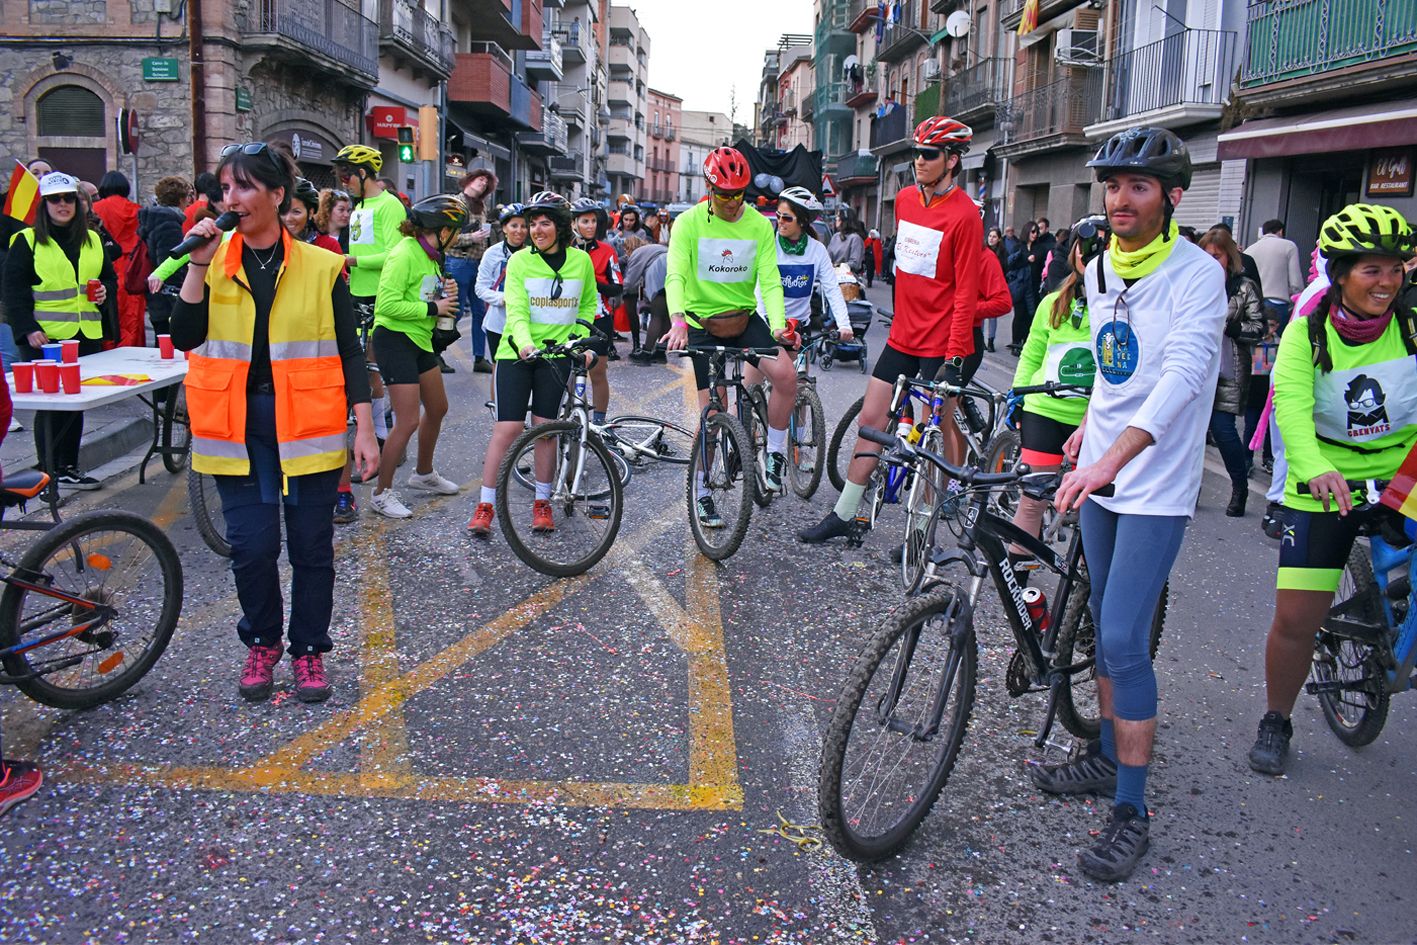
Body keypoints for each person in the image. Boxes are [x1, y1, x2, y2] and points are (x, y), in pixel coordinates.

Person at [1039, 126, 1226, 883]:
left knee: (1119, 635)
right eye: (1111, 185)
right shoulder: (1101, 266)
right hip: (1102, 469)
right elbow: (1117, 367)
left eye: (1137, 186)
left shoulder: (1196, 276)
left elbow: (1180, 381)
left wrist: (1111, 458)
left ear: (1171, 197)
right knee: (1098, 621)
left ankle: (1131, 807)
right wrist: (1091, 422)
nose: (1119, 198)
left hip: (1152, 483)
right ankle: (1108, 750)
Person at [172, 141, 378, 703]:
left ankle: (308, 649)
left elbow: (349, 351)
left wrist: (363, 427)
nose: (230, 198)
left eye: (243, 187)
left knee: (311, 547)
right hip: (234, 423)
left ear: (277, 195)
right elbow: (186, 333)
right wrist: (196, 262)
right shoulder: (212, 260)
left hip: (308, 421)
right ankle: (262, 641)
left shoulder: (320, 265)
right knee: (251, 546)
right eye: (225, 187)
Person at [1247, 203, 1417, 777]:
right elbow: (1291, 407)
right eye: (1372, 270)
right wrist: (1317, 468)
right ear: (1340, 274)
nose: (1387, 282)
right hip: (1325, 480)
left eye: (1395, 269)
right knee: (1297, 618)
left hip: (1403, 472)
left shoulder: (1413, 322)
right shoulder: (1307, 328)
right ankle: (1277, 717)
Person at [799, 116, 981, 543]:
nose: (919, 161)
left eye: (929, 155)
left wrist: (955, 359)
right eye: (916, 153)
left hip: (941, 344)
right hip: (903, 336)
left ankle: (924, 527)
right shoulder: (903, 201)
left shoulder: (966, 216)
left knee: (935, 432)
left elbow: (966, 294)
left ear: (952, 160)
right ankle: (845, 512)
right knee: (871, 419)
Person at [662, 146, 797, 521]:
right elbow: (675, 274)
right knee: (711, 409)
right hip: (701, 321)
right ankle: (703, 490)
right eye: (723, 194)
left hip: (743, 318)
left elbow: (770, 280)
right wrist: (676, 320)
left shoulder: (757, 223)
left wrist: (777, 325)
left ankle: (774, 454)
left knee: (787, 376)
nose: (732, 202)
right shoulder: (688, 223)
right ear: (709, 188)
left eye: (739, 194)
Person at [466, 191, 597, 537]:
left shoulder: (580, 262)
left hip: (557, 356)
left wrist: (580, 340)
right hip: (516, 353)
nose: (536, 230)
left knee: (545, 428)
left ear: (561, 227)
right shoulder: (520, 261)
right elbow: (518, 310)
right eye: (532, 224)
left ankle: (542, 503)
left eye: (545, 223)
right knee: (507, 429)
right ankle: (486, 504)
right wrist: (524, 344)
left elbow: (587, 305)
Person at [2, 172, 115, 488]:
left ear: (78, 203)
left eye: (68, 198)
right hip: (44, 338)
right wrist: (26, 329)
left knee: (75, 403)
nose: (63, 204)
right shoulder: (26, 241)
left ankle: (67, 467)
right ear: (44, 204)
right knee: (51, 406)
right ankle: (48, 471)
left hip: (84, 335)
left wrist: (105, 291)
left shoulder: (92, 238)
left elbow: (109, 279)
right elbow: (13, 290)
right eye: (55, 199)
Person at [1007, 214, 1105, 558]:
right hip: (1044, 411)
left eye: (1105, 246)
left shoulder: (1122, 306)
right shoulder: (1052, 302)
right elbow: (1032, 354)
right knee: (1032, 501)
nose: (1093, 254)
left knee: (1089, 509)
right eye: (1086, 247)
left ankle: (1083, 591)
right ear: (1074, 251)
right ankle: (1018, 586)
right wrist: (1018, 395)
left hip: (1095, 418)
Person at [367, 195, 468, 519]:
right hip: (394, 338)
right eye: (455, 230)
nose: (458, 237)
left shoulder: (433, 256)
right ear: (441, 229)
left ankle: (423, 474)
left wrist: (444, 297)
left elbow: (426, 298)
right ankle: (381, 494)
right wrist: (432, 307)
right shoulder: (404, 253)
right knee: (407, 420)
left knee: (438, 407)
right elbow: (387, 306)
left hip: (419, 338)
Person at [334, 143, 405, 495]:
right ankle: (375, 428)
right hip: (356, 292)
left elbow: (395, 253)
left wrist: (352, 261)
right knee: (361, 364)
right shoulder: (361, 205)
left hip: (381, 294)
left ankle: (381, 432)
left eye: (347, 174)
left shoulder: (389, 204)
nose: (343, 182)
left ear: (364, 174)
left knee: (375, 364)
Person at [1198, 226, 1265, 517]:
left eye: (1218, 255)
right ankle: (1190, 490)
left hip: (1230, 366)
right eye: (1207, 255)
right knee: (1192, 433)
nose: (1213, 260)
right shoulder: (1195, 282)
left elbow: (1259, 327)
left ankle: (1240, 487)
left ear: (1229, 256)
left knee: (1224, 431)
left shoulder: (1244, 286)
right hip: (1197, 365)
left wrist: (1232, 327)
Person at [765, 187, 852, 341]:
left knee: (799, 366)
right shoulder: (769, 245)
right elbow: (759, 288)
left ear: (803, 221)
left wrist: (844, 325)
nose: (780, 221)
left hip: (800, 327)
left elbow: (832, 288)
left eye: (787, 218)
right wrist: (764, 323)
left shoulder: (817, 250)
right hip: (769, 325)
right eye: (778, 216)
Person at [571, 197, 623, 410]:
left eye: (593, 221)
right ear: (574, 223)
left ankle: (599, 424)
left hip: (599, 320)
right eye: (585, 221)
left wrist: (593, 281)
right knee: (569, 374)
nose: (590, 226)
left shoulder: (607, 250)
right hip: (568, 319)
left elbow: (617, 287)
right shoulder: (564, 249)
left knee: (598, 373)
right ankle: (571, 421)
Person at [447, 168, 498, 374]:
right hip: (458, 262)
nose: (482, 183)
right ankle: (435, 353)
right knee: (455, 312)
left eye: (486, 182)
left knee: (480, 312)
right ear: (469, 179)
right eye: (480, 178)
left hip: (478, 264)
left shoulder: (482, 206)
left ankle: (479, 357)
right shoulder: (456, 203)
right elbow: (447, 238)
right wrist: (472, 238)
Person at [474, 202, 529, 389]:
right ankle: (497, 412)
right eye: (514, 225)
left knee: (524, 369)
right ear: (504, 227)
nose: (519, 231)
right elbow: (480, 288)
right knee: (500, 370)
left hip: (526, 322)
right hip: (498, 322)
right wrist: (502, 298)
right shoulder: (492, 253)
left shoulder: (533, 254)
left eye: (524, 226)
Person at [91, 171, 145, 347]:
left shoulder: (97, 208)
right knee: (132, 316)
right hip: (132, 267)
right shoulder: (137, 209)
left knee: (111, 314)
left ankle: (110, 350)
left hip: (107, 264)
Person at [138, 175, 193, 340]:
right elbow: (169, 264)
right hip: (166, 300)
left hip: (155, 296)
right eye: (188, 196)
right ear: (181, 199)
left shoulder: (154, 219)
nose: (190, 201)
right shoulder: (169, 224)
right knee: (169, 348)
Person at [624, 236, 669, 364]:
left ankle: (646, 352)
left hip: (660, 269)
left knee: (657, 314)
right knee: (665, 314)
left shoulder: (637, 253)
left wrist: (617, 291)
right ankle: (660, 352)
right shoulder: (655, 248)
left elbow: (631, 282)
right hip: (674, 267)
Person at [1247, 218, 1305, 312]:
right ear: (1281, 231)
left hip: (1252, 304)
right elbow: (1296, 284)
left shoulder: (1249, 250)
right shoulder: (1289, 246)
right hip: (1277, 303)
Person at [282, 178, 345, 260]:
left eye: (296, 212)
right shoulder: (269, 245)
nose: (288, 218)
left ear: (310, 213)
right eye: (283, 211)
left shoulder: (328, 246)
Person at [1006, 221, 1040, 353]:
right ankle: (1015, 343)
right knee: (1019, 315)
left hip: (1033, 287)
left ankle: (1025, 343)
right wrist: (1027, 260)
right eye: (1032, 231)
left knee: (1029, 316)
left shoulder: (1038, 247)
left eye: (1036, 231)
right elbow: (1011, 265)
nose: (1035, 234)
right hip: (1020, 286)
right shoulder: (1018, 247)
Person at [984, 226, 1009, 352]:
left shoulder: (1002, 253)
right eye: (990, 236)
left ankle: (990, 340)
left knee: (992, 316)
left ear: (999, 239)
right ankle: (981, 338)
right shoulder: (983, 250)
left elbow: (1005, 269)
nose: (991, 239)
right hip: (982, 285)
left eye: (994, 237)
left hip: (994, 287)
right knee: (981, 314)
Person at [316, 188, 353, 254]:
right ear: (328, 210)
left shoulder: (352, 235)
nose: (346, 215)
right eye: (341, 210)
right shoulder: (315, 235)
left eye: (348, 211)